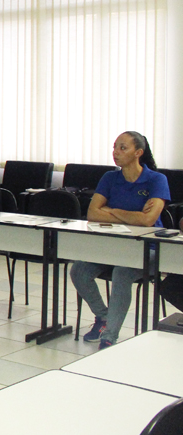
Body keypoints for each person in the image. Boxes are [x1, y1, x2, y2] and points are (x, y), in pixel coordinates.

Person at [72, 131, 170, 349]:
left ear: (138, 153)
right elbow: (92, 214)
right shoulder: (109, 178)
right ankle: (103, 317)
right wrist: (131, 215)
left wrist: (112, 210)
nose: (115, 152)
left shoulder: (156, 180)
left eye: (122, 148)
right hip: (115, 246)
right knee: (79, 269)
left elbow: (148, 221)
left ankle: (110, 336)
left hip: (149, 250)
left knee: (122, 272)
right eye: (115, 146)